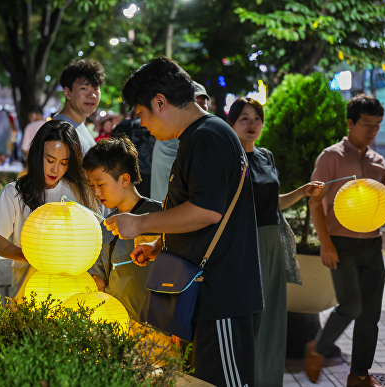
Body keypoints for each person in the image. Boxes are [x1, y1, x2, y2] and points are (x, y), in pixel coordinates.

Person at [105, 57, 262, 386]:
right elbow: (201, 210)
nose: (143, 124)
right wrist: (160, 243)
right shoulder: (197, 136)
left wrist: (139, 224)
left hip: (222, 295)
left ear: (160, 102)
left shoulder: (208, 136)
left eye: (142, 113)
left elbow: (207, 211)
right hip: (204, 291)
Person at [306, 94, 385, 386]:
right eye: (366, 125)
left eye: (377, 125)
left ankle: (359, 375)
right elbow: (314, 203)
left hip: (372, 245)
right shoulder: (331, 157)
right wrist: (325, 243)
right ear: (350, 123)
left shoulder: (379, 163)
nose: (372, 131)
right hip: (341, 243)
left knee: (370, 315)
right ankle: (317, 348)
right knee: (351, 305)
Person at [228, 97, 323, 387]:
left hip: (270, 241)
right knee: (249, 315)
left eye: (256, 117)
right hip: (243, 242)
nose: (252, 123)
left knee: (272, 316)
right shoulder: (228, 159)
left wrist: (303, 192)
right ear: (231, 123)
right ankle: (243, 377)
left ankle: (268, 379)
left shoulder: (265, 156)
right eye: (244, 118)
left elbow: (273, 203)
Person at [0, 120, 100, 299]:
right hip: (27, 292)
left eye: (63, 163)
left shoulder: (80, 191)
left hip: (73, 295)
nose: (55, 169)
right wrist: (32, 256)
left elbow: (96, 237)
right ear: (37, 155)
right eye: (50, 160)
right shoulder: (14, 192)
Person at [83, 135, 162, 320]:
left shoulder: (161, 216)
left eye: (101, 184)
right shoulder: (104, 227)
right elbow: (99, 280)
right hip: (118, 328)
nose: (96, 192)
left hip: (160, 329)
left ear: (125, 179)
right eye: (92, 185)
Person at [150, 80, 209, 202]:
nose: (200, 108)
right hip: (171, 212)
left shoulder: (193, 135)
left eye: (203, 103)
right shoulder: (172, 137)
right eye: (195, 103)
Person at [53, 58, 105, 156]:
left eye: (95, 88)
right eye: (84, 88)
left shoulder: (79, 125)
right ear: (68, 93)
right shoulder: (59, 132)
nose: (92, 95)